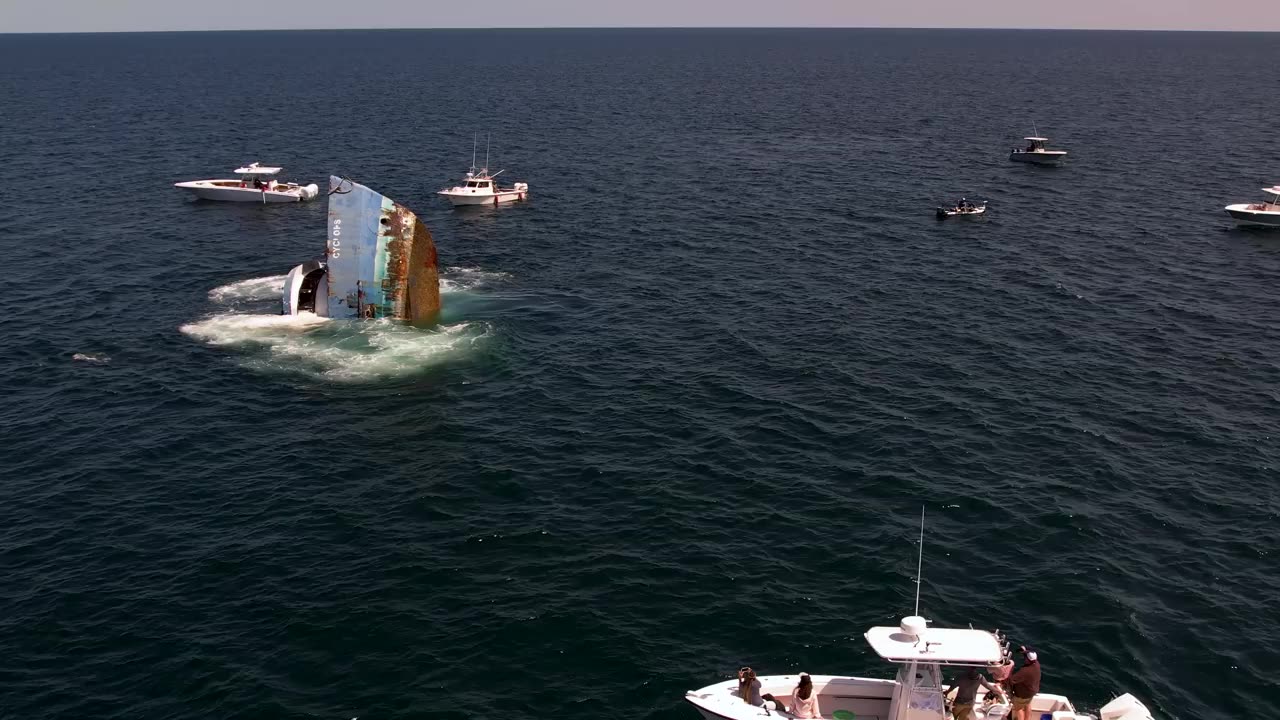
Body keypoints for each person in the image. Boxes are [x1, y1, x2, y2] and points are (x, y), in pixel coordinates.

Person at [1007, 647, 1042, 720]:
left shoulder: (1025, 671)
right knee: (1027, 705)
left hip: (1022, 695)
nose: (1024, 659)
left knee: (1018, 709)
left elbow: (1012, 680)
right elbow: (1029, 656)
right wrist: (1024, 650)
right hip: (1032, 692)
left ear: (1028, 660)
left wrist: (1009, 670)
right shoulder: (1036, 664)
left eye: (1025, 657)